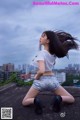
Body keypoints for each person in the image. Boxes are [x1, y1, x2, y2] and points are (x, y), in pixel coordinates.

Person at [22, 30, 79, 114]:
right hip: (53, 81)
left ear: (48, 41)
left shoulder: (41, 54)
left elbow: (41, 70)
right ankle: (59, 99)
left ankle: (36, 101)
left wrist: (36, 78)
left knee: (25, 101)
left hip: (41, 81)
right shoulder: (53, 54)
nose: (40, 38)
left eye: (43, 36)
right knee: (71, 98)